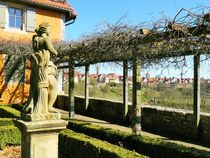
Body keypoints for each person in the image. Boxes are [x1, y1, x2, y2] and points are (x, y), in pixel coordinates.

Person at [23, 22, 58, 114]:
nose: (50, 30)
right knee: (53, 85)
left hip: (37, 63)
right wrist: (56, 53)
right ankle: (49, 106)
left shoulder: (35, 38)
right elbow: (52, 50)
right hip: (45, 64)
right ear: (45, 29)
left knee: (38, 85)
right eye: (49, 28)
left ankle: (39, 105)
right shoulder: (46, 39)